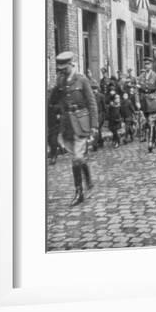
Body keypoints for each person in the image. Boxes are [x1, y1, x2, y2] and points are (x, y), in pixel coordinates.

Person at [50, 51, 98, 207]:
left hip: (82, 122)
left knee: (76, 158)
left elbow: (92, 104)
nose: (63, 71)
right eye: (61, 69)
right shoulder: (61, 81)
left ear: (72, 64)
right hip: (67, 124)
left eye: (65, 68)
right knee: (78, 157)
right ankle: (88, 178)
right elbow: (53, 102)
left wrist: (94, 126)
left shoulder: (82, 80)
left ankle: (79, 193)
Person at [137, 57, 156, 152]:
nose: (147, 66)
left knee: (151, 122)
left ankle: (150, 143)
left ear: (151, 65)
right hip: (144, 103)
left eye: (148, 64)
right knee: (148, 123)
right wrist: (137, 101)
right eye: (145, 64)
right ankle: (154, 139)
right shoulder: (140, 77)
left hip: (153, 103)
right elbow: (137, 91)